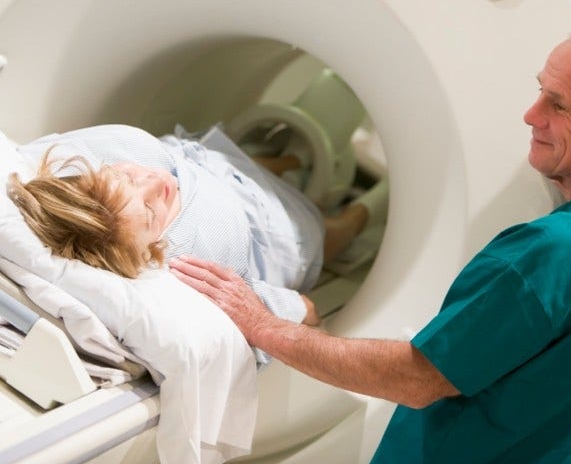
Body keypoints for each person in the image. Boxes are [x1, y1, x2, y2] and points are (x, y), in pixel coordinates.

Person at [169, 20, 571, 464]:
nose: (531, 115)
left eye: (558, 105)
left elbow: (418, 379)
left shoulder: (555, 254)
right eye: (540, 91)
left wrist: (263, 324)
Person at [8, 124, 380, 327]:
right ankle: (376, 198)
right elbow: (294, 308)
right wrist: (302, 313)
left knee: (256, 164)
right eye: (151, 211)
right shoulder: (183, 267)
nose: (157, 182)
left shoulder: (80, 175)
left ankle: (294, 158)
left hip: (215, 165)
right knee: (333, 232)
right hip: (276, 230)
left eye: (127, 175)